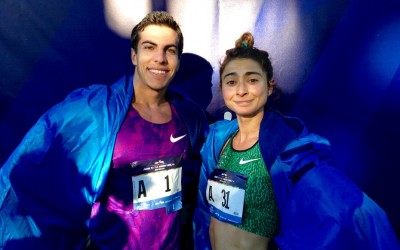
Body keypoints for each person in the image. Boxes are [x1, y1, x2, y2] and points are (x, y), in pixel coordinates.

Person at [0, 11, 208, 249]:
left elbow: (198, 182)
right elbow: (34, 170)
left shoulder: (191, 118)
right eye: (149, 47)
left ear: (177, 61)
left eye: (170, 50)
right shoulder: (95, 112)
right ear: (134, 55)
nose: (160, 58)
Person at [194, 32, 399, 249]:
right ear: (222, 89)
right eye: (232, 81)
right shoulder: (217, 141)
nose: (241, 90)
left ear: (269, 86)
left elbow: (355, 214)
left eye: (252, 80)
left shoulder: (291, 155)